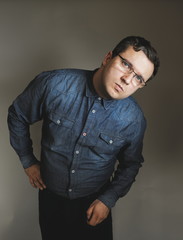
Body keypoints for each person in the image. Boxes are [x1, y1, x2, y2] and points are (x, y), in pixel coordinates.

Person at [7, 36, 160, 240]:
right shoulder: (53, 84)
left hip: (95, 202)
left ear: (141, 85)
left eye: (139, 78)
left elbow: (131, 164)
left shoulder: (133, 120)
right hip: (50, 198)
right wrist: (28, 161)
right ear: (107, 58)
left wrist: (107, 199)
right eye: (125, 64)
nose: (127, 79)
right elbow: (18, 115)